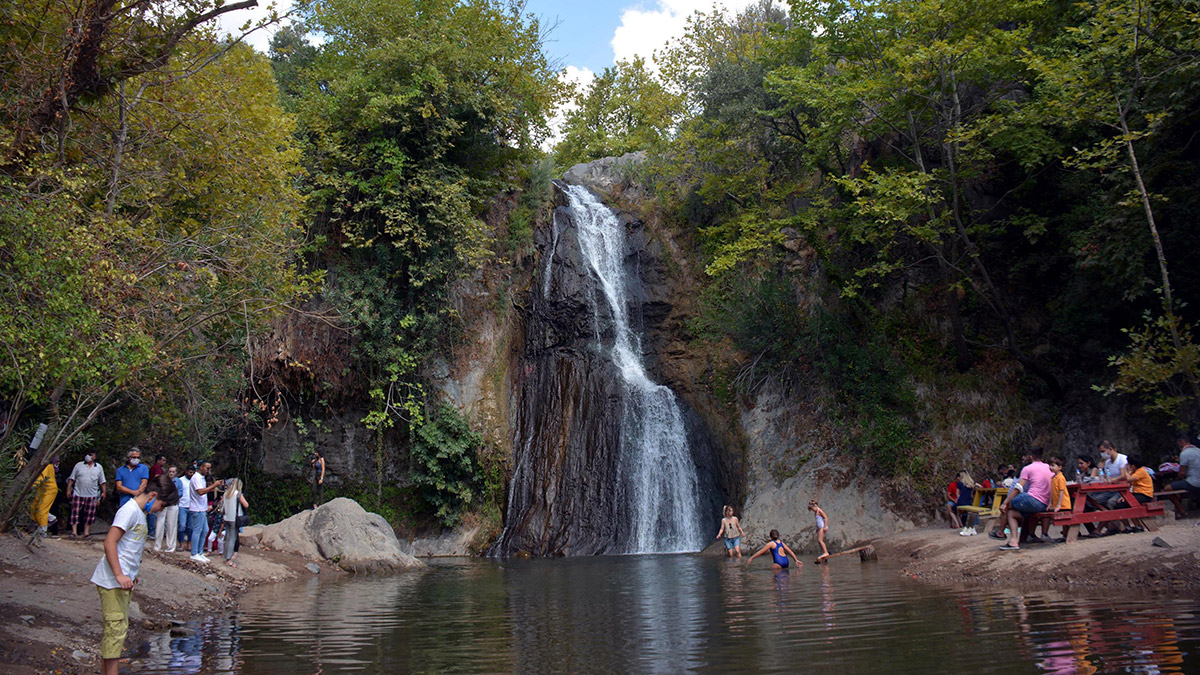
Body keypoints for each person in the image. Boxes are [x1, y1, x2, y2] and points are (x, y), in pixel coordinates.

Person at [92, 474, 178, 675]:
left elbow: (128, 549)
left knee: (117, 630)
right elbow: (110, 542)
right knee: (116, 630)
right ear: (152, 496)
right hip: (112, 581)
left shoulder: (139, 514)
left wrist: (130, 573)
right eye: (162, 506)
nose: (160, 511)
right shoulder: (129, 510)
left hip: (122, 581)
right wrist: (120, 574)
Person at [998, 447, 1053, 551]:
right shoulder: (1049, 467)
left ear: (1031, 457)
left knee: (1006, 507)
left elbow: (1018, 488)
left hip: (1032, 500)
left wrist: (1005, 502)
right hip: (1045, 504)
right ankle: (1014, 540)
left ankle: (1002, 533)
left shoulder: (1028, 468)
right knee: (1011, 514)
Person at [187, 461, 223, 563]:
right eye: (207, 468)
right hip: (196, 508)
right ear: (201, 467)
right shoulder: (196, 477)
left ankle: (199, 552)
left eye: (209, 468)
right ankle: (194, 553)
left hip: (202, 508)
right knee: (197, 530)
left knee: (205, 530)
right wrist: (214, 486)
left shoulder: (202, 478)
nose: (208, 470)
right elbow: (200, 491)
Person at [67, 451, 107, 537]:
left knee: (89, 514)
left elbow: (102, 481)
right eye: (88, 454)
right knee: (75, 512)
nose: (88, 456)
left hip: (92, 494)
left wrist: (103, 492)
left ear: (94, 457)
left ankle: (86, 532)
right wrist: (68, 489)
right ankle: (74, 532)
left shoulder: (98, 467)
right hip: (78, 493)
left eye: (91, 455)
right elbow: (72, 478)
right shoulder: (79, 465)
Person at [1037, 457, 1072, 540]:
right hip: (1055, 503)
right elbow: (1052, 492)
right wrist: (1050, 503)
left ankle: (1067, 535)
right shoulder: (1053, 478)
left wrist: (1059, 504)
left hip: (1064, 503)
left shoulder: (1061, 478)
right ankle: (1065, 535)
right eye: (1050, 465)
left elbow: (1061, 491)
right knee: (1062, 521)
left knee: (1065, 520)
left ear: (1059, 467)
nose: (1051, 467)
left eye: (1053, 465)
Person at [29, 457, 58, 544]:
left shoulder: (46, 466)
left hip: (49, 490)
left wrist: (31, 487)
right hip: (42, 490)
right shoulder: (45, 465)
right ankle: (51, 519)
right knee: (34, 507)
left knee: (42, 510)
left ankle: (43, 530)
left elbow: (41, 479)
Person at [222, 478, 249, 568]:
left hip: (226, 517)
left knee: (227, 537)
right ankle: (228, 559)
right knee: (232, 539)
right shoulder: (238, 494)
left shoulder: (226, 493)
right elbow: (246, 505)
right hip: (234, 518)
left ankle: (225, 555)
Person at [154, 466, 180, 552]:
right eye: (170, 471)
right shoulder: (164, 481)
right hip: (163, 504)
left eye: (173, 472)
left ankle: (171, 546)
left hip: (173, 504)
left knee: (171, 525)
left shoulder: (178, 481)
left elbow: (180, 493)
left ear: (176, 473)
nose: (171, 473)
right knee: (160, 523)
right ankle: (157, 545)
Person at [1169, 436, 1200, 502]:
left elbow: (1181, 473)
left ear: (1182, 442)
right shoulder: (1198, 450)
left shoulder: (1184, 453)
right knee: (1179, 487)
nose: (1179, 446)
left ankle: (1181, 510)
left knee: (1167, 488)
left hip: (1193, 482)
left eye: (1179, 444)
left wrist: (1178, 478)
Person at [176, 465, 194, 552]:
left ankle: (189, 543)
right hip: (182, 505)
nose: (191, 474)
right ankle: (181, 543)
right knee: (182, 526)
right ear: (186, 471)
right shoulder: (181, 480)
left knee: (190, 527)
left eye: (193, 473)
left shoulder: (195, 481)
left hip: (192, 506)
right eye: (190, 472)